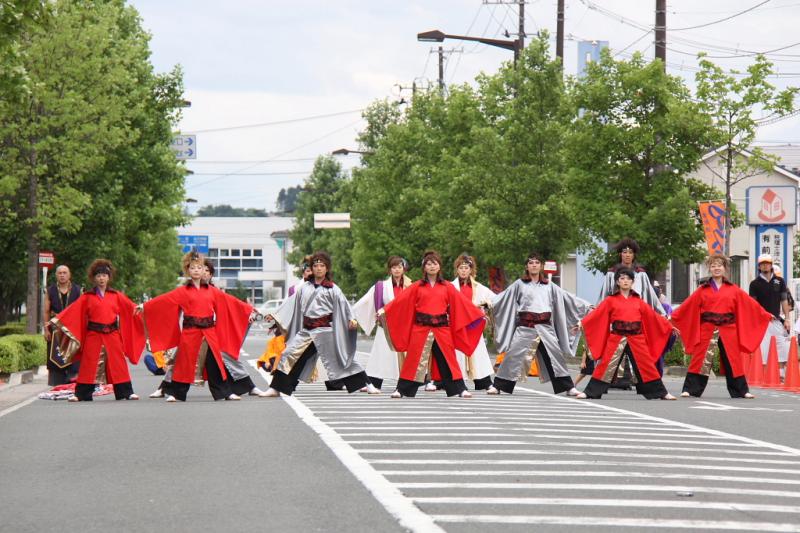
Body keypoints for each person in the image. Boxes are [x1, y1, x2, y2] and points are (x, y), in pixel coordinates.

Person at [142, 251, 254, 402]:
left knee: (215, 363)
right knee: (184, 362)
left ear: (204, 271)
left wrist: (248, 309)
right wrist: (145, 306)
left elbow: (230, 302)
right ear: (188, 270)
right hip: (190, 331)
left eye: (199, 267)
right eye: (193, 267)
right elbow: (164, 301)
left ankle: (226, 392)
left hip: (209, 332)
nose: (196, 270)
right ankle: (176, 393)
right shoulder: (182, 291)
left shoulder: (213, 291)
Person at [263, 251, 376, 397]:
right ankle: (276, 389)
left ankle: (368, 384)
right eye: (315, 265)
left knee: (342, 358)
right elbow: (290, 305)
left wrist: (351, 319)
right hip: (306, 331)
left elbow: (344, 306)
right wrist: (275, 315)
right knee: (288, 354)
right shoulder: (304, 288)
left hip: (326, 331)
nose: (318, 268)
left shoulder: (333, 289)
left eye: (322, 265)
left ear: (327, 268)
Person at [381, 250, 485, 398]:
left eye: (434, 263)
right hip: (421, 327)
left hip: (441, 328)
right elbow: (400, 302)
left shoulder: (447, 286)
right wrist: (385, 310)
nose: (431, 266)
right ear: (424, 267)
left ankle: (460, 388)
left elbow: (462, 304)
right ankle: (402, 389)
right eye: (428, 264)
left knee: (448, 359)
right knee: (413, 359)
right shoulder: (417, 286)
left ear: (439, 267)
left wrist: (478, 315)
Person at [487, 252, 590, 396]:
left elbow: (567, 298)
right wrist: (489, 304)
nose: (534, 265)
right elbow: (503, 298)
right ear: (526, 266)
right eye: (531, 263)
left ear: (541, 266)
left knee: (554, 356)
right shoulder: (519, 284)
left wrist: (586, 306)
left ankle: (568, 387)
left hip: (545, 327)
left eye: (537, 263)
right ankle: (498, 386)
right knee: (513, 355)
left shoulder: (549, 286)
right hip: (525, 326)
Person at [671, 254, 772, 399]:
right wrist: (672, 316)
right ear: (709, 268)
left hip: (728, 328)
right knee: (700, 358)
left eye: (719, 265)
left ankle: (741, 391)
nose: (716, 268)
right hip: (707, 327)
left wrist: (765, 314)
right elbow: (688, 305)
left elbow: (750, 305)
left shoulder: (733, 289)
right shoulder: (702, 289)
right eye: (713, 265)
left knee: (733, 358)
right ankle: (691, 389)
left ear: (725, 268)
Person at [49, 259, 145, 402]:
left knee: (118, 363)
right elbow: (72, 311)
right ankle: (81, 394)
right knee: (89, 364)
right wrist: (56, 321)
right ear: (94, 278)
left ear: (109, 277)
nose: (101, 278)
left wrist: (144, 308)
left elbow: (131, 308)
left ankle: (126, 392)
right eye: (99, 275)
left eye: (104, 275)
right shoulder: (87, 297)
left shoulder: (116, 295)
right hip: (93, 334)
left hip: (112, 334)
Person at [580, 267, 676, 400]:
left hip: (636, 337)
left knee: (646, 364)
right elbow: (597, 314)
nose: (625, 281)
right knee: (605, 364)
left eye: (628, 279)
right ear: (617, 282)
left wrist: (669, 326)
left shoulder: (638, 301)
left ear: (632, 282)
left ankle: (661, 392)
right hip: (616, 336)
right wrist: (582, 323)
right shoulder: (610, 300)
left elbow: (653, 316)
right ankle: (590, 392)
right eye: (622, 278)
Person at [598, 238, 666, 390]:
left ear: (634, 255)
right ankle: (614, 380)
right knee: (613, 350)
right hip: (616, 316)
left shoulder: (640, 274)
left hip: (636, 316)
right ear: (620, 254)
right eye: (624, 252)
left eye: (630, 252)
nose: (627, 255)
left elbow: (650, 296)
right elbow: (605, 296)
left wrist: (661, 314)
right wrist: (598, 313)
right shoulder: (612, 274)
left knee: (640, 351)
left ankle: (641, 382)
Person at [352, 255, 412, 390]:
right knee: (380, 353)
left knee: (406, 355)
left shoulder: (410, 286)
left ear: (404, 269)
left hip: (404, 326)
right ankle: (374, 382)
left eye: (399, 267)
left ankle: (406, 384)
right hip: (386, 326)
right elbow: (365, 301)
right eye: (394, 267)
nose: (397, 270)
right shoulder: (381, 286)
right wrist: (352, 315)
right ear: (389, 270)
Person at [445, 253, 494, 390]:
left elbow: (495, 299)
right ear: (457, 269)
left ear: (471, 270)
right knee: (456, 353)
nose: (464, 270)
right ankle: (452, 381)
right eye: (461, 268)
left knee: (478, 352)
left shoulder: (479, 288)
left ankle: (483, 381)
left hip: (474, 326)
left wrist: (485, 305)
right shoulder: (450, 287)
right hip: (457, 325)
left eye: (466, 268)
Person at [749, 254, 791, 379]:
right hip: (761, 322)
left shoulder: (779, 281)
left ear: (771, 265)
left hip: (777, 320)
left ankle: (781, 374)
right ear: (759, 266)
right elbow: (753, 305)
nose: (765, 265)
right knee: (764, 348)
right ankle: (765, 375)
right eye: (762, 263)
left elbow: (784, 300)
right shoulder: (754, 284)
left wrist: (787, 318)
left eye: (767, 263)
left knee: (781, 346)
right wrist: (764, 314)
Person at [42, 265, 82, 385]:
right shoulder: (50, 290)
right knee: (55, 358)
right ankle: (57, 384)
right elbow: (46, 311)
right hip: (55, 328)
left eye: (65, 273)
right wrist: (46, 329)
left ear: (69, 275)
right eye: (60, 273)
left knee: (74, 357)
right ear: (56, 275)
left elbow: (81, 310)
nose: (62, 275)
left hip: (72, 329)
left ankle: (74, 381)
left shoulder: (77, 290)